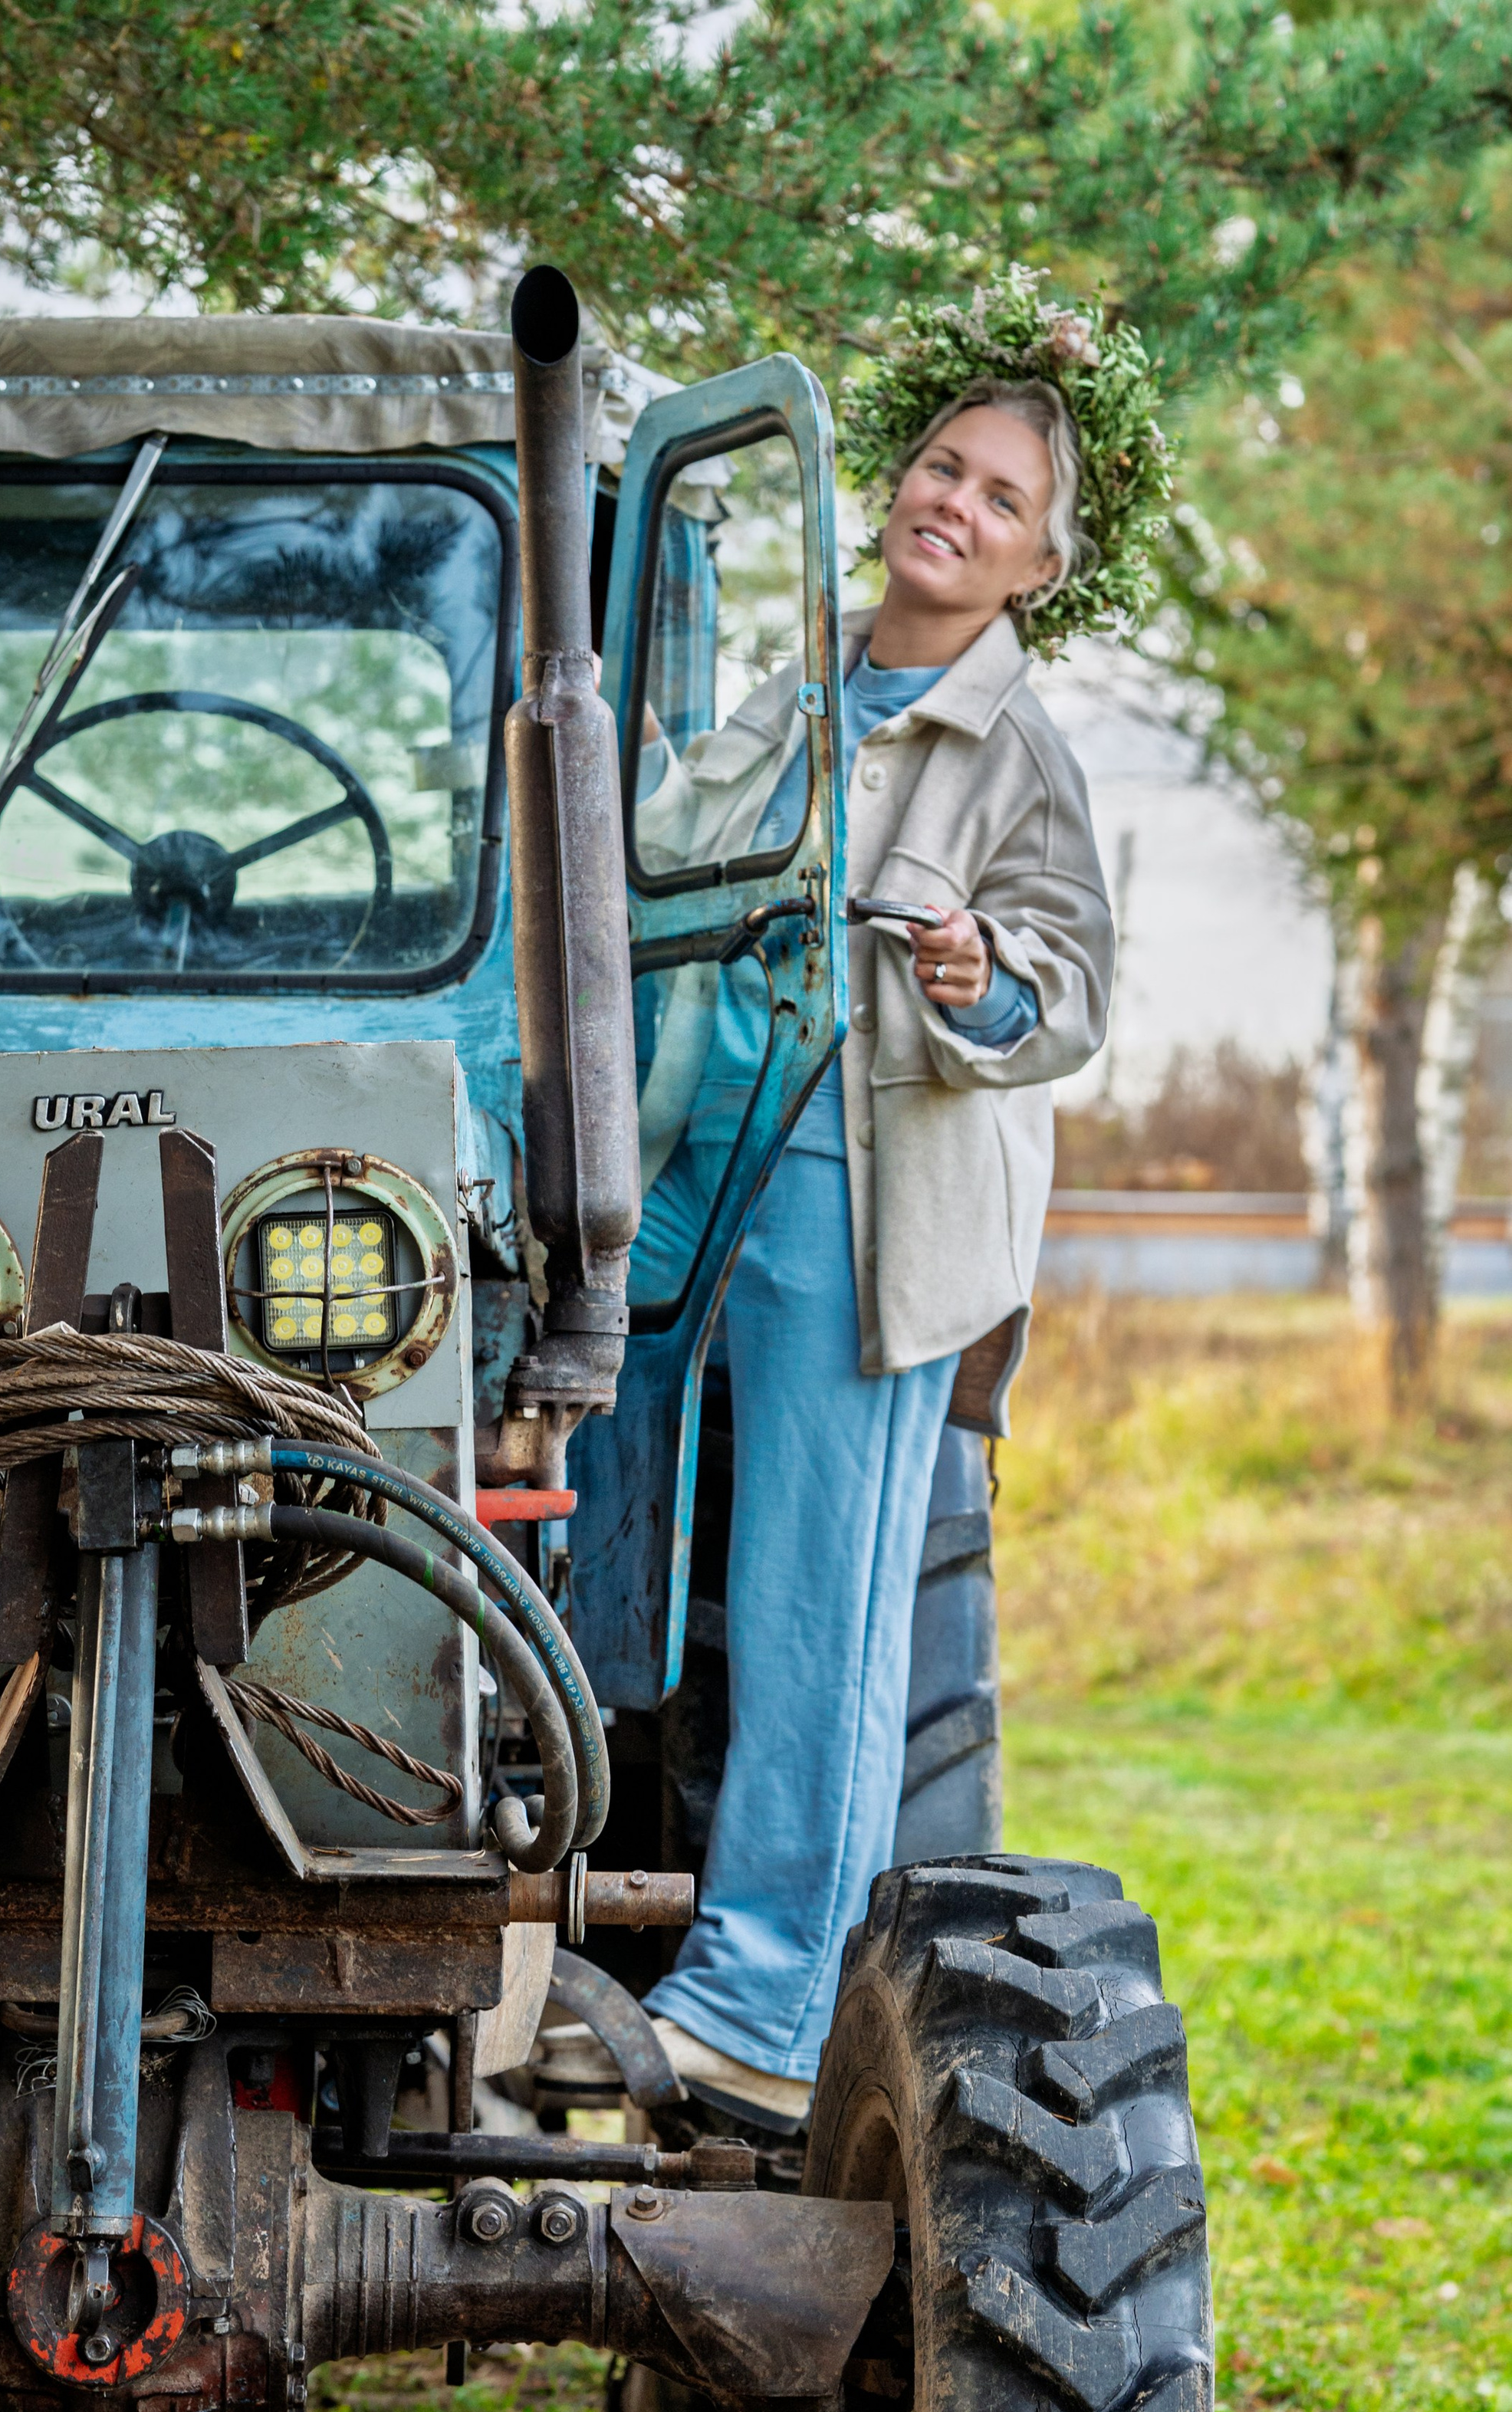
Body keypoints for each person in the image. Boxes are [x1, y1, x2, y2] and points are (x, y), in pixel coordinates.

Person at [627, 282, 1170, 2133]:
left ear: (1035, 565)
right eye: (942, 463)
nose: (952, 499)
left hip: (854, 1196)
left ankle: (760, 2003)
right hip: (680, 1166)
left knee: (813, 1604)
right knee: (582, 1529)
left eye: (999, 497)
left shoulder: (1012, 748)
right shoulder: (781, 704)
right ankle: (536, 1934)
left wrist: (972, 975)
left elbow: (1072, 993)